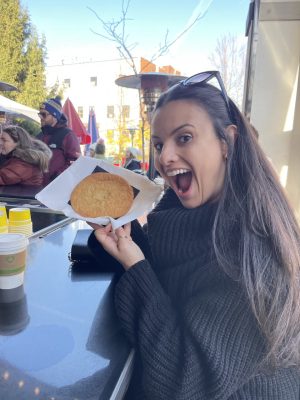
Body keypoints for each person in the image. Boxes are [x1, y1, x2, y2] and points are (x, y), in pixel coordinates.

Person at [89, 71, 300, 399]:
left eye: (183, 138)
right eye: (158, 144)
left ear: (227, 141)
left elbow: (181, 381)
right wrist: (121, 232)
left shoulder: (254, 255)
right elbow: (166, 271)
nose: (165, 157)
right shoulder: (180, 214)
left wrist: (135, 265)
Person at [37, 96, 81, 184]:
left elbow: (75, 162)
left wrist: (57, 176)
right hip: (38, 186)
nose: (41, 117)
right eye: (40, 114)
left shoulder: (68, 135)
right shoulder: (40, 135)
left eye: (44, 115)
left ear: (54, 116)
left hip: (57, 186)